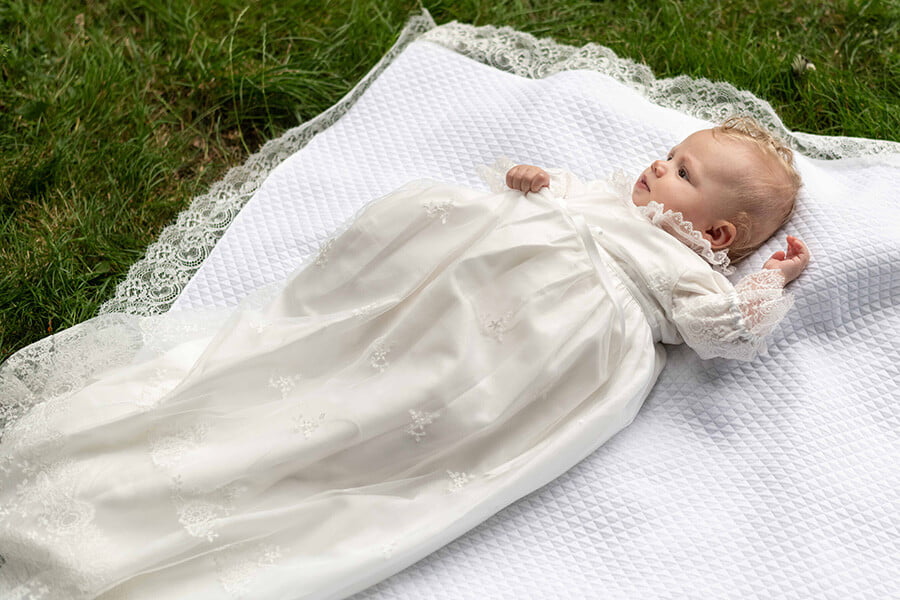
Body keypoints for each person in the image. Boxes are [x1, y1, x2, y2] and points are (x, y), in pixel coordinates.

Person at [0, 116, 809, 599]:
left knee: (436, 404)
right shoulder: (606, 196)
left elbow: (721, 330)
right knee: (365, 334)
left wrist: (770, 282)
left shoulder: (684, 266)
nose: (654, 167)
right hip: (471, 282)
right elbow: (549, 191)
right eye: (667, 152)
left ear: (716, 235)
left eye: (681, 172)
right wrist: (533, 181)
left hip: (545, 344)